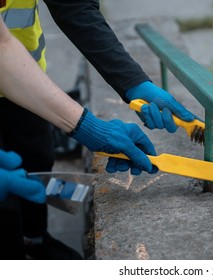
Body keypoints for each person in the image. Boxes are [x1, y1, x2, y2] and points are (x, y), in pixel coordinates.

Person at [0, 0, 196, 259]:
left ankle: (34, 241)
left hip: (22, 83)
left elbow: (70, 6)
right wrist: (88, 128)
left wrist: (130, 81)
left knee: (34, 159)